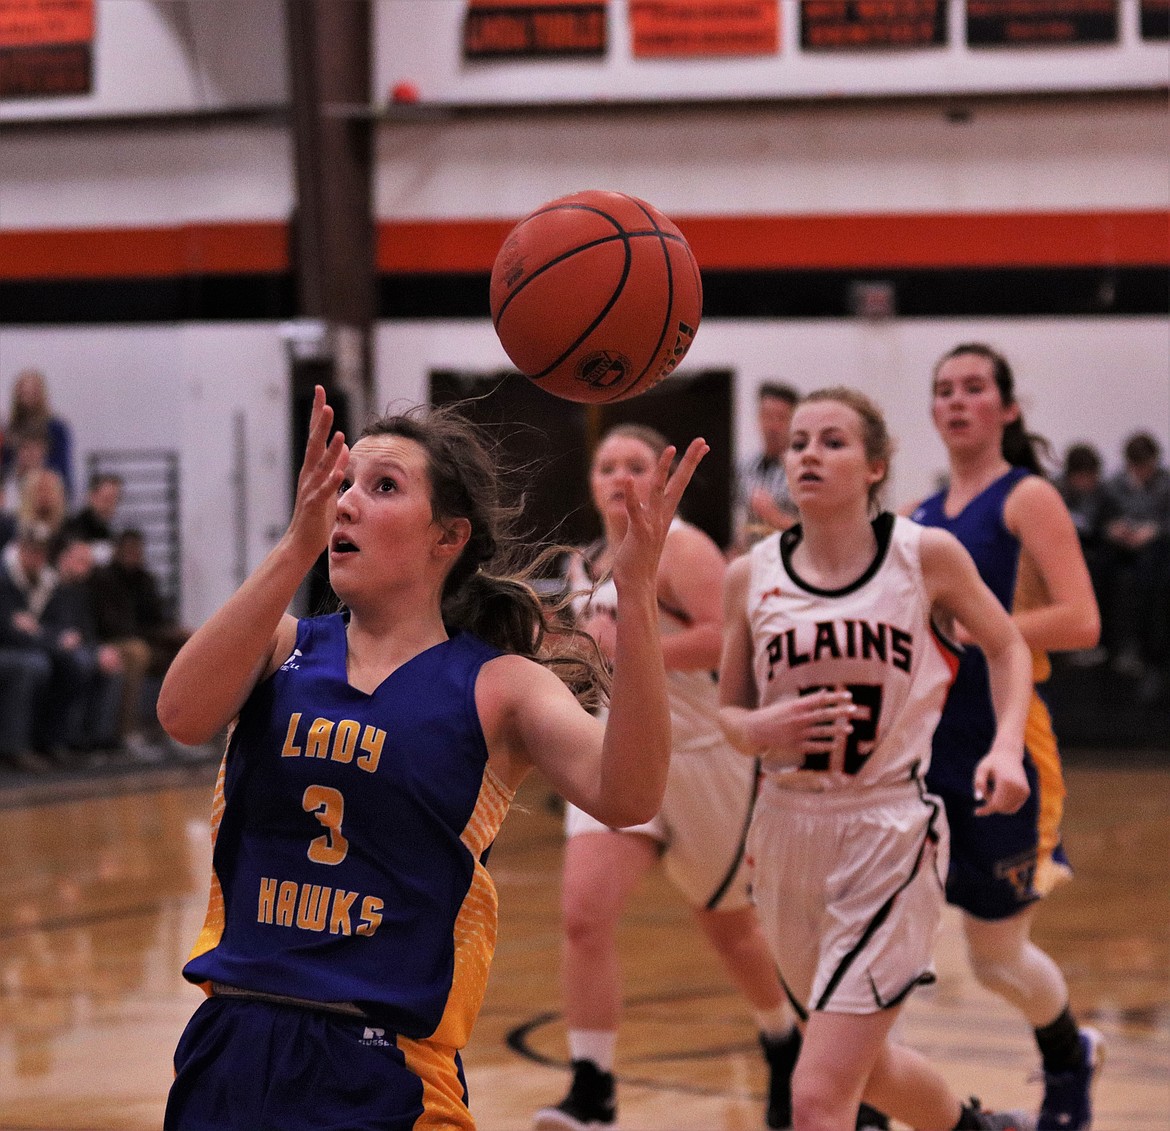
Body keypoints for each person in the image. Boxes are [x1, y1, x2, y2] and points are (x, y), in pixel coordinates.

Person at [157, 387, 708, 1131]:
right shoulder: (280, 646)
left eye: (383, 487)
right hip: (231, 1046)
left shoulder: (498, 685)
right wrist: (295, 543)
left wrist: (636, 594)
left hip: (383, 1068)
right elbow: (179, 713)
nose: (347, 502)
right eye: (346, 482)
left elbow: (630, 792)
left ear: (446, 536)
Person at [719, 386, 1036, 1131]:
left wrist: (1007, 744)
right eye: (797, 443)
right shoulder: (751, 575)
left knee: (818, 1092)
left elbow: (1007, 643)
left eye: (831, 441)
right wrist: (764, 724)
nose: (807, 455)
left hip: (887, 830)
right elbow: (730, 716)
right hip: (784, 829)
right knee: (865, 1063)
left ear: (875, 466)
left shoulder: (923, 556)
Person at [534, 423, 801, 1131]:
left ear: (658, 478)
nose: (619, 476)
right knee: (583, 915)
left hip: (703, 757)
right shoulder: (584, 564)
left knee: (730, 928)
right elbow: (600, 658)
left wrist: (631, 651)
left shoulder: (684, 547)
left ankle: (783, 1041)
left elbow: (725, 636)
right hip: (616, 754)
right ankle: (592, 1088)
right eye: (606, 465)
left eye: (634, 464)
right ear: (591, 480)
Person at [911, 343, 1104, 1131]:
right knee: (893, 937)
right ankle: (864, 1096)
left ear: (1008, 408)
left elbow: (1082, 618)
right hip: (923, 744)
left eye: (975, 388)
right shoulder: (922, 515)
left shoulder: (1027, 498)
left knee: (995, 959)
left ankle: (1068, 1057)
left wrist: (982, 628)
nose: (958, 401)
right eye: (944, 390)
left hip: (1006, 738)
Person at [89, 528, 192, 762]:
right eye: (129, 550)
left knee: (187, 648)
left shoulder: (145, 580)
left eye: (137, 551)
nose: (133, 555)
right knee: (138, 652)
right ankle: (128, 733)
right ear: (118, 551)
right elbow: (113, 625)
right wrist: (158, 634)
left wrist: (177, 634)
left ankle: (179, 731)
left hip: (143, 638)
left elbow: (158, 617)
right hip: (112, 640)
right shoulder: (104, 579)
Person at [1100, 431, 1170, 697]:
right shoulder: (1113, 485)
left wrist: (1154, 530)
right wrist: (1112, 529)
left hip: (1155, 547)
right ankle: (1108, 643)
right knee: (1102, 563)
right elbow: (1101, 519)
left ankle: (1146, 647)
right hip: (1120, 547)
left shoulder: (1166, 483)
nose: (1142, 472)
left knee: (1151, 564)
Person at [1053, 444, 1111, 666]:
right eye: (1085, 477)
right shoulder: (1052, 490)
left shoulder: (1101, 492)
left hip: (1089, 551)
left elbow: (1099, 525)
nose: (1090, 482)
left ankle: (1091, 640)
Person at [732, 382, 801, 554]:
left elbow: (819, 532)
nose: (773, 426)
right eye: (767, 416)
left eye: (781, 418)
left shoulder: (803, 469)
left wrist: (774, 516)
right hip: (750, 557)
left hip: (791, 557)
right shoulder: (743, 467)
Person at [2, 369, 75, 503]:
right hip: (15, 490)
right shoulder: (9, 429)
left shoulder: (56, 428)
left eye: (33, 393)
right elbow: (5, 465)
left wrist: (38, 468)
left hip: (48, 492)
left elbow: (62, 467)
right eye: (24, 393)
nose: (28, 397)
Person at [62, 471, 124, 565]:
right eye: (106, 499)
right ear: (91, 496)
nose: (109, 505)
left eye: (114, 500)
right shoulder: (72, 529)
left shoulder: (109, 533)